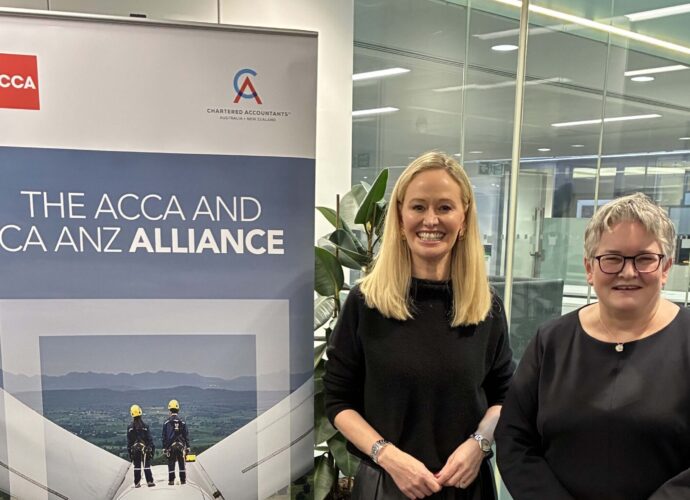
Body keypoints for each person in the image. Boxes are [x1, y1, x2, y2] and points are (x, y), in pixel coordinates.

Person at [323, 151, 514, 499]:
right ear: (400, 218)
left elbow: (504, 394)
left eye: (444, 207)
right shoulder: (365, 303)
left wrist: (480, 443)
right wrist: (388, 456)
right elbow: (338, 400)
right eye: (418, 207)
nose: (431, 220)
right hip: (387, 485)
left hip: (466, 489)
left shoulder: (487, 307)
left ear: (464, 218)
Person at [496, 192, 690, 500]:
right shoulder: (551, 342)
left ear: (665, 268)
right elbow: (514, 439)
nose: (628, 272)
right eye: (612, 258)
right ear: (589, 268)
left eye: (644, 258)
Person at [162, 399, 190, 486]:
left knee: (171, 463)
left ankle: (171, 481)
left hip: (171, 446)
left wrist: (165, 448)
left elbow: (164, 436)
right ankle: (183, 480)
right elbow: (186, 435)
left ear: (170, 410)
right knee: (181, 463)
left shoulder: (167, 422)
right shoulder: (182, 422)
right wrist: (188, 447)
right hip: (181, 446)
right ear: (178, 410)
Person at [127, 404, 155, 488]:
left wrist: (130, 454)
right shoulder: (145, 426)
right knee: (146, 466)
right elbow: (149, 439)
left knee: (137, 466)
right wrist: (151, 450)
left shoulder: (130, 428)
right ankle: (149, 481)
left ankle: (137, 483)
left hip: (135, 450)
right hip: (145, 449)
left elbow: (129, 442)